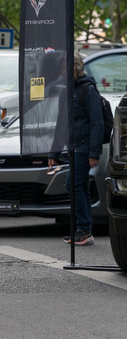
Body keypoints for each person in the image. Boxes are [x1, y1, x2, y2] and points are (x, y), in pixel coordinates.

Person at [48, 53, 103, 246]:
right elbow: (61, 123)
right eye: (62, 67)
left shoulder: (88, 89)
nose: (63, 71)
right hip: (74, 146)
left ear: (77, 67)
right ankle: (84, 229)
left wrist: (94, 152)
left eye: (67, 67)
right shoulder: (67, 90)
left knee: (72, 184)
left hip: (84, 146)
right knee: (79, 186)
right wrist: (54, 153)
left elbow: (97, 122)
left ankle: (84, 229)